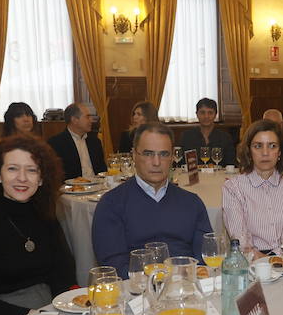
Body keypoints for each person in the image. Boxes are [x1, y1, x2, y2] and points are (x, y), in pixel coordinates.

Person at [0, 135, 78, 315]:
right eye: (12, 168)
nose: (22, 178)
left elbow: (64, 275)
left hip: (47, 308)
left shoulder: (46, 218)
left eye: (31, 170)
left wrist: (70, 306)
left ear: (41, 179)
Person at [92, 122, 212, 277]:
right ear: (134, 155)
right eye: (148, 154)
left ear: (172, 157)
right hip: (136, 292)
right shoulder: (111, 204)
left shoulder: (192, 202)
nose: (156, 162)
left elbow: (205, 258)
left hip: (186, 288)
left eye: (163, 154)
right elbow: (112, 266)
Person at [222, 119, 283, 258]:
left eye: (272, 146)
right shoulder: (233, 188)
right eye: (258, 146)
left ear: (279, 152)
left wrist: (279, 260)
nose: (265, 153)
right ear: (249, 151)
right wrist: (265, 261)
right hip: (254, 262)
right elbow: (240, 241)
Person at [47, 103, 106, 180]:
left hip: (98, 187)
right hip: (72, 189)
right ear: (74, 120)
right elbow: (55, 175)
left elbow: (102, 170)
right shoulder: (56, 143)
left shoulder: (95, 142)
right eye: (87, 117)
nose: (91, 120)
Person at [177, 97, 237, 166]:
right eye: (202, 113)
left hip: (218, 176)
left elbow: (231, 164)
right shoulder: (186, 136)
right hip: (193, 176)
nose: (206, 116)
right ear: (197, 114)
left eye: (210, 113)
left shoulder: (225, 137)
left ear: (215, 115)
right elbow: (180, 164)